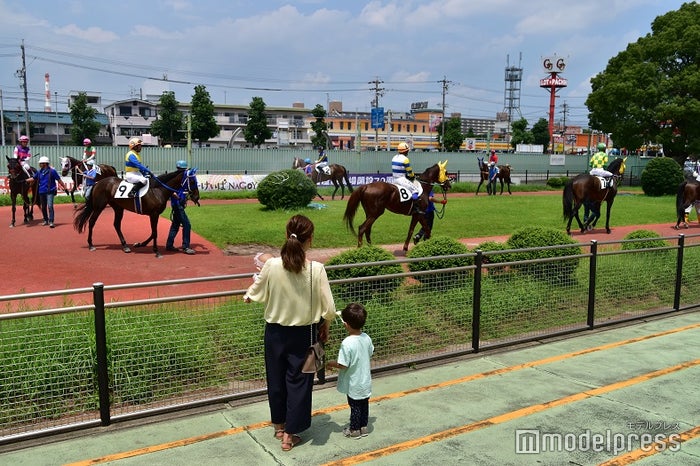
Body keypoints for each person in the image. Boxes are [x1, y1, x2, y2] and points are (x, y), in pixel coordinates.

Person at [243, 215, 336, 452]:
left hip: (274, 334)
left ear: (287, 235)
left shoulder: (272, 265)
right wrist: (325, 325)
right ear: (310, 239)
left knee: (276, 379)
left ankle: (279, 426)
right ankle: (290, 435)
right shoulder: (316, 269)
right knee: (299, 383)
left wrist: (249, 295)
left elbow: (255, 292)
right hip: (305, 335)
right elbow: (330, 309)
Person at [326, 302, 374, 439]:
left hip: (354, 383)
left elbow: (343, 364)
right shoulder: (366, 338)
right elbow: (370, 352)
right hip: (365, 381)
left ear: (346, 324)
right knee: (364, 404)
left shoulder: (347, 343)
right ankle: (363, 427)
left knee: (355, 406)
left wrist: (330, 363)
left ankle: (354, 429)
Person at [165, 160, 196, 255]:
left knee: (175, 225)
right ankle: (186, 247)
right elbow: (169, 189)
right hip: (177, 204)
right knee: (187, 225)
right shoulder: (178, 177)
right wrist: (176, 196)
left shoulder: (181, 178)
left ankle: (169, 245)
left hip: (177, 204)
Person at [30, 156, 69, 228]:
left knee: (50, 206)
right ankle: (46, 220)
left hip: (50, 191)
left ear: (45, 164)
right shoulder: (39, 172)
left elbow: (59, 180)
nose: (39, 165)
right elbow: (33, 178)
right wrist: (24, 180)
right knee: (43, 207)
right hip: (41, 192)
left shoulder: (52, 171)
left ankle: (51, 221)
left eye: (41, 163)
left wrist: (65, 188)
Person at [391, 142, 425, 215]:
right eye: (407, 150)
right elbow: (409, 171)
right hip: (401, 179)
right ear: (405, 151)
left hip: (394, 179)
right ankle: (416, 209)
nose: (408, 152)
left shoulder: (394, 157)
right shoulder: (405, 159)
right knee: (415, 191)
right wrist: (413, 177)